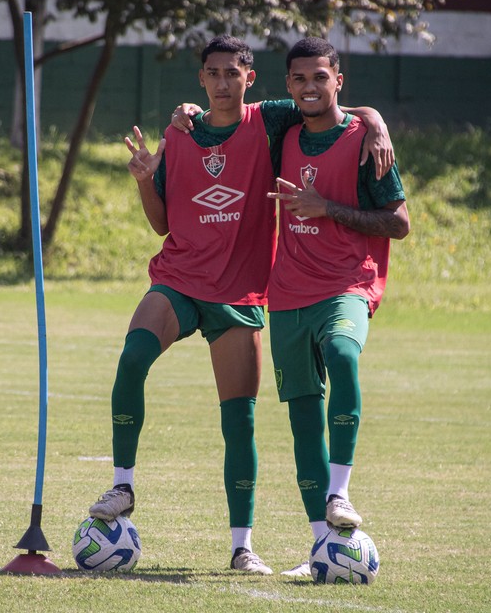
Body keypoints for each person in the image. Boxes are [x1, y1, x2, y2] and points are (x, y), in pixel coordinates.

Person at [88, 35, 392, 575]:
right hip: (179, 279)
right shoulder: (179, 131)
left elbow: (329, 104)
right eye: (213, 73)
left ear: (249, 78)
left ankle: (242, 547)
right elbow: (160, 222)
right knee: (132, 358)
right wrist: (143, 180)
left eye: (233, 72)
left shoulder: (271, 121)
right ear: (201, 79)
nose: (223, 82)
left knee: (240, 422)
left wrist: (375, 120)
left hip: (240, 295)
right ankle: (121, 487)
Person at [264, 37, 410, 577]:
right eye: (299, 79)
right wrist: (186, 115)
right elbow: (228, 112)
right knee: (303, 420)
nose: (309, 87)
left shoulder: (366, 142)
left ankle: (341, 494)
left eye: (320, 78)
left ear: (338, 81)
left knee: (345, 357)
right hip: (287, 294)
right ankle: (321, 549)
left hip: (347, 285)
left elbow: (399, 222)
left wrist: (328, 208)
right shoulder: (281, 131)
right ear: (288, 85)